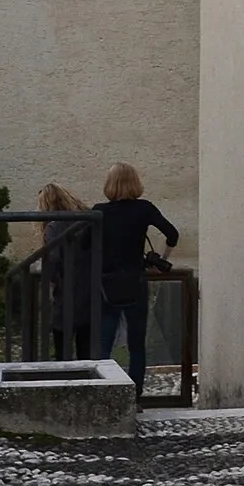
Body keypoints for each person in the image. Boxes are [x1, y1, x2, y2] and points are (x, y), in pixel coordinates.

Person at [94, 163, 176, 398]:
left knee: (104, 343)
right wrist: (160, 260)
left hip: (107, 283)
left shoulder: (99, 212)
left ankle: (104, 394)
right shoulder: (144, 209)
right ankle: (135, 395)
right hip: (135, 280)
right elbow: (172, 234)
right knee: (136, 344)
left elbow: (87, 244)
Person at [35, 184, 95, 359]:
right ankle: (86, 384)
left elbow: (53, 258)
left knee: (62, 351)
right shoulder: (84, 222)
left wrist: (53, 279)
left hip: (66, 292)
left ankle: (65, 383)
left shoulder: (53, 227)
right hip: (88, 292)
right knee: (86, 351)